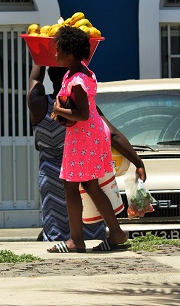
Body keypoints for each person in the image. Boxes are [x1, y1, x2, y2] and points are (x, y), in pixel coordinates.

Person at [28, 63, 146, 249]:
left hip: (51, 178)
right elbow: (112, 134)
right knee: (90, 212)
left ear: (51, 79)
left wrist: (40, 58)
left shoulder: (39, 105)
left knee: (56, 225)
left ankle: (71, 244)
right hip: (85, 170)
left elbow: (34, 80)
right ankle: (105, 236)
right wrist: (137, 161)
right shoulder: (85, 109)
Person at [48, 25, 128, 253]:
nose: (55, 55)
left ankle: (77, 239)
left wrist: (58, 110)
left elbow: (82, 114)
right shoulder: (79, 73)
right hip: (87, 136)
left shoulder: (78, 80)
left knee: (72, 186)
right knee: (89, 186)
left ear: (70, 54)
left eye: (59, 50)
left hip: (84, 138)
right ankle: (115, 233)